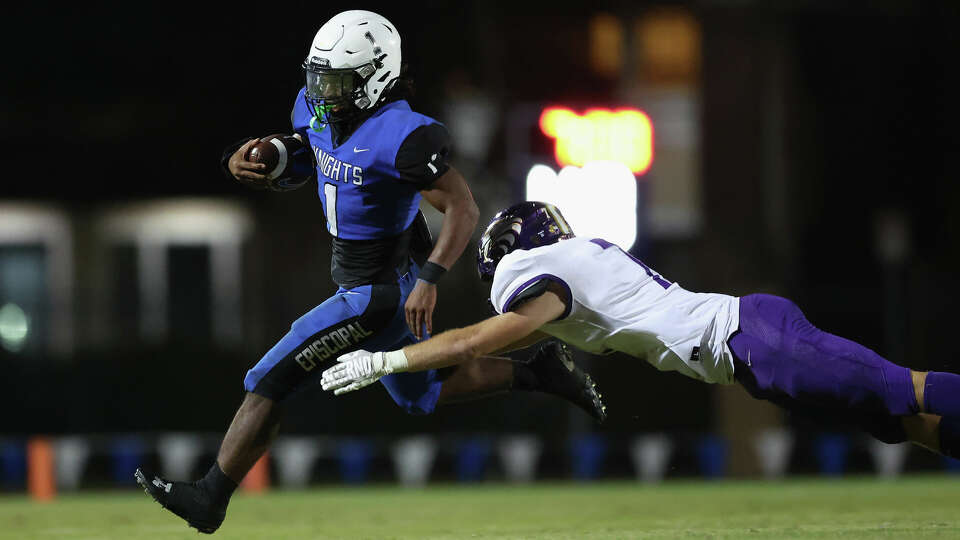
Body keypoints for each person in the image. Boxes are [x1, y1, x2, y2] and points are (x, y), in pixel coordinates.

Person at [135, 12, 604, 535]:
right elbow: (309, 152)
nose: (322, 92)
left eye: (335, 82)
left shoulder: (400, 135)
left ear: (376, 76)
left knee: (270, 377)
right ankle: (539, 370)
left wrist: (430, 279)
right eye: (318, 78)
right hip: (378, 282)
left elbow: (463, 207)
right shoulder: (320, 109)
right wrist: (249, 160)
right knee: (419, 393)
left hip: (377, 291)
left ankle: (210, 496)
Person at [322, 200, 960, 463]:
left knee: (905, 388)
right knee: (896, 420)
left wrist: (388, 364)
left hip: (751, 340)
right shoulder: (577, 259)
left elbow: (476, 341)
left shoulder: (532, 273)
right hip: (752, 347)